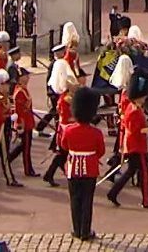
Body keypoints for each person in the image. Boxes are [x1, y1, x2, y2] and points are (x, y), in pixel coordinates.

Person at [107, 68, 148, 208]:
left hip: (134, 144)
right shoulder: (134, 110)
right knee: (144, 173)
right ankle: (147, 201)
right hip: (136, 145)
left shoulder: (134, 107)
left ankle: (113, 193)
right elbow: (137, 130)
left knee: (130, 172)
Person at [61, 86, 106, 240]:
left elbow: (64, 145)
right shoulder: (96, 132)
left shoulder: (69, 130)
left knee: (75, 200)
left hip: (73, 168)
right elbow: (101, 151)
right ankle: (85, 231)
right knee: (87, 201)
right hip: (90, 169)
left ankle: (77, 229)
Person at [40, 58, 79, 186]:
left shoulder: (67, 97)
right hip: (66, 129)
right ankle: (51, 174)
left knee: (63, 155)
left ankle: (55, 174)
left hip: (67, 128)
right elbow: (68, 117)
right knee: (63, 154)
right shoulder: (66, 99)